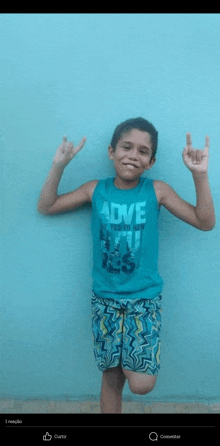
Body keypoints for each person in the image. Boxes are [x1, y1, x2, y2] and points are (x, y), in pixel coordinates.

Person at [37, 117, 215, 413]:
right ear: (111, 151)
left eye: (143, 151)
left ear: (151, 161)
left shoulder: (157, 191)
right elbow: (47, 205)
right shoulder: (95, 189)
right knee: (111, 377)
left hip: (144, 302)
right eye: (126, 147)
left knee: (141, 384)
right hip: (104, 301)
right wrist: (59, 165)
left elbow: (205, 221)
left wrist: (200, 176)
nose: (133, 155)